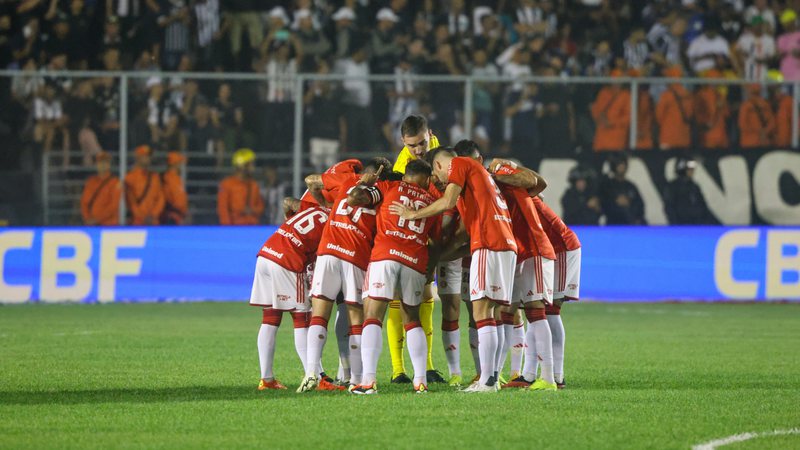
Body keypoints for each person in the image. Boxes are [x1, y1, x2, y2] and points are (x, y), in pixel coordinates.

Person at [389, 147, 518, 393]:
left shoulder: (459, 163)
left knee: (482, 311)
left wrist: (413, 214)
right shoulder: (478, 181)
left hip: (489, 243)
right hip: (505, 243)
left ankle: (488, 382)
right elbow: (461, 233)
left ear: (439, 165)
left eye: (438, 178)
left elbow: (447, 201)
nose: (440, 183)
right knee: (492, 312)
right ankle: (491, 377)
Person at [297, 158, 393, 393]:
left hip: (328, 250)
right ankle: (356, 379)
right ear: (380, 175)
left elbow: (311, 180)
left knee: (319, 314)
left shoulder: (346, 179)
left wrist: (325, 207)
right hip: (355, 255)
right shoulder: (381, 191)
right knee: (356, 318)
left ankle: (311, 373)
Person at [348, 159, 442, 394]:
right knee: (412, 318)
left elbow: (354, 199)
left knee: (372, 315)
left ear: (407, 175)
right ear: (426, 178)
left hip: (385, 256)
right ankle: (420, 381)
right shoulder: (432, 202)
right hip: (414, 261)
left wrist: (365, 184)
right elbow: (437, 240)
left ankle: (368, 381)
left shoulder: (390, 187)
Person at [479, 153, 558, 392]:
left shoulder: (500, 175)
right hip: (515, 251)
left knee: (535, 309)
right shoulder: (488, 183)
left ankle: (549, 378)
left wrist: (508, 168)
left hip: (533, 247)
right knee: (507, 310)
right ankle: (495, 375)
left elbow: (539, 183)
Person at [250, 197, 330, 391]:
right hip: (288, 260)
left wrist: (288, 218)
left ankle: (267, 379)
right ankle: (316, 378)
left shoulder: (314, 209)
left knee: (270, 318)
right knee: (302, 319)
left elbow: (286, 201)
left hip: (266, 254)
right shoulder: (336, 223)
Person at [388, 114, 444, 385]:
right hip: (408, 234)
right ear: (403, 142)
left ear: (429, 134)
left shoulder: (439, 150)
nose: (419, 150)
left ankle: (429, 365)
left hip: (432, 226)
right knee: (399, 300)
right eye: (412, 146)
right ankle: (398, 369)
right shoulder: (402, 166)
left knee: (426, 296)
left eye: (422, 143)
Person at [532, 197, 582, 390]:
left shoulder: (521, 197)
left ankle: (557, 375)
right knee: (539, 308)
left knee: (549, 309)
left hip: (562, 248)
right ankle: (539, 374)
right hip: (552, 250)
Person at [217, 148, 264, 225]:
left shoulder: (254, 185)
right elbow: (223, 210)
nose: (253, 167)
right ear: (242, 166)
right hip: (235, 228)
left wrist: (252, 210)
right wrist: (227, 230)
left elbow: (260, 207)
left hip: (253, 228)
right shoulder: (226, 184)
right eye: (250, 164)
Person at [664, 157, 716, 225]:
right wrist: (675, 225)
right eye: (689, 169)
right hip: (680, 226)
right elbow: (669, 207)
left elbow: (703, 206)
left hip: (697, 225)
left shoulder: (694, 186)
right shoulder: (672, 187)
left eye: (692, 169)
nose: (692, 171)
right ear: (682, 169)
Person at [599, 155, 646, 225]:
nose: (621, 167)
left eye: (623, 164)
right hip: (613, 224)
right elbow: (602, 205)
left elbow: (640, 205)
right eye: (619, 164)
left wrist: (629, 203)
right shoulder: (607, 186)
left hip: (630, 223)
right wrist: (615, 202)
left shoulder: (631, 186)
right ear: (614, 166)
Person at [591, 69, 631, 152]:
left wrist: (611, 122)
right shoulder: (603, 92)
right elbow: (595, 110)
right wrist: (599, 119)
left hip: (617, 139)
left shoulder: (626, 95)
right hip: (601, 138)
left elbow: (628, 117)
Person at [125, 145, 165, 225]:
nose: (148, 158)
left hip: (153, 222)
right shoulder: (129, 177)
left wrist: (153, 215)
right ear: (138, 157)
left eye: (149, 156)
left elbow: (161, 198)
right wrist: (142, 217)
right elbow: (130, 202)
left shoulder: (155, 176)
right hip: (137, 223)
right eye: (145, 156)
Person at [656, 66, 694, 150]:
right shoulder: (688, 95)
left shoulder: (666, 95)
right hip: (684, 137)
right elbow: (691, 114)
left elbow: (659, 116)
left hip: (668, 137)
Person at [80, 151, 121, 226]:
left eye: (105, 162)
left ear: (109, 165)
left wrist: (96, 220)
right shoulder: (90, 182)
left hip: (109, 225)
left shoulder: (115, 182)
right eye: (100, 162)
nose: (103, 165)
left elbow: (113, 206)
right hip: (92, 225)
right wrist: (87, 218)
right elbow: (84, 203)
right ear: (96, 165)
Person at [693, 70, 730, 149]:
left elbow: (697, 114)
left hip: (710, 135)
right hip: (718, 135)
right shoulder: (719, 96)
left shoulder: (701, 95)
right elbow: (727, 114)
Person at [738, 83, 775, 148]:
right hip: (764, 141)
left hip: (749, 142)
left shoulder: (745, 106)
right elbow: (772, 123)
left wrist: (757, 132)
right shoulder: (766, 105)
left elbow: (742, 125)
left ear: (749, 91)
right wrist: (764, 132)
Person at [161, 151, 188, 225]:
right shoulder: (169, 179)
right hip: (173, 218)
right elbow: (173, 200)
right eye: (179, 163)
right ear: (175, 164)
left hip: (178, 217)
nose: (181, 165)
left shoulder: (175, 178)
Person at [777, 10, 800, 81]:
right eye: (783, 23)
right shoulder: (781, 38)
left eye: (786, 22)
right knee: (785, 92)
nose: (784, 25)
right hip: (784, 74)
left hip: (798, 75)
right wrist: (780, 54)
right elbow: (778, 56)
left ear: (793, 21)